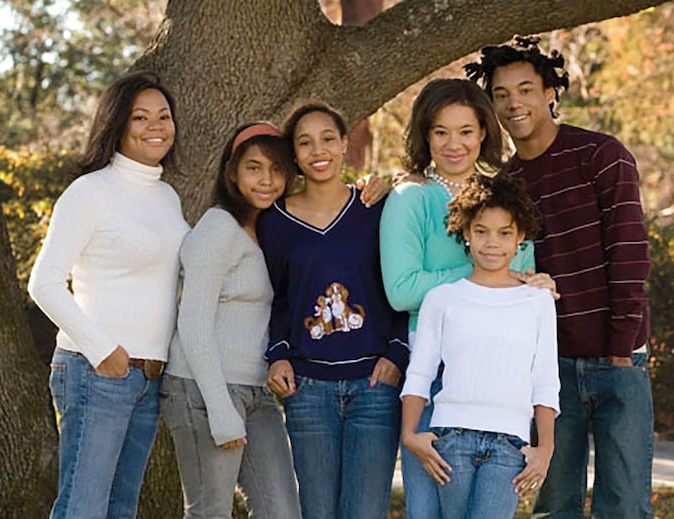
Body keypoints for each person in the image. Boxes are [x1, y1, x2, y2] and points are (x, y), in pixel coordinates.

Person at [468, 35, 654, 517]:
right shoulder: (504, 184)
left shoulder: (601, 156)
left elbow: (630, 254)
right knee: (555, 505)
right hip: (548, 372)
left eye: (526, 89)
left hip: (618, 360)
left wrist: (618, 350)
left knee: (625, 505)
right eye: (502, 94)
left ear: (551, 92)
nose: (514, 103)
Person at [378, 78, 553, 519]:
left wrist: (523, 280)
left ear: (484, 133)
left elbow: (526, 276)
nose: (454, 144)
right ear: (425, 135)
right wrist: (484, 274)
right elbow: (401, 291)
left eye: (466, 131)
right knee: (426, 511)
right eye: (441, 132)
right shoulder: (409, 197)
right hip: (431, 374)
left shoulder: (503, 195)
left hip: (498, 380)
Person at [28, 71, 190, 518]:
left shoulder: (168, 197)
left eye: (163, 116)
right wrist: (104, 353)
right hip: (96, 371)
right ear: (117, 125)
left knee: (121, 510)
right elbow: (43, 282)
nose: (156, 126)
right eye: (140, 117)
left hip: (149, 376)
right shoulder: (91, 191)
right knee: (83, 508)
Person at [259, 102, 408, 519]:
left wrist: (396, 354)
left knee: (364, 512)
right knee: (318, 512)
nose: (318, 150)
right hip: (308, 388)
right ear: (293, 154)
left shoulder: (377, 208)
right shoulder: (275, 221)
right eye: (304, 143)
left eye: (327, 138)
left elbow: (398, 289)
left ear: (344, 143)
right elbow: (274, 299)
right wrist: (278, 354)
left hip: (375, 387)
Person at [160, 122, 302, 518]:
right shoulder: (218, 227)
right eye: (254, 167)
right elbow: (193, 322)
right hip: (202, 389)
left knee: (284, 512)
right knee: (210, 512)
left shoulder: (268, 231)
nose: (267, 180)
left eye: (276, 170)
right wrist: (219, 406)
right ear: (232, 172)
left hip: (256, 392)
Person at [401, 172, 560, 519]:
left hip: (510, 445)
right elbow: (420, 372)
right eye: (481, 231)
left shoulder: (537, 301)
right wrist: (411, 434)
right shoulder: (442, 299)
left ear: (520, 237)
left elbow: (546, 380)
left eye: (505, 233)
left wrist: (545, 448)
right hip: (451, 440)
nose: (492, 243)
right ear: (466, 233)